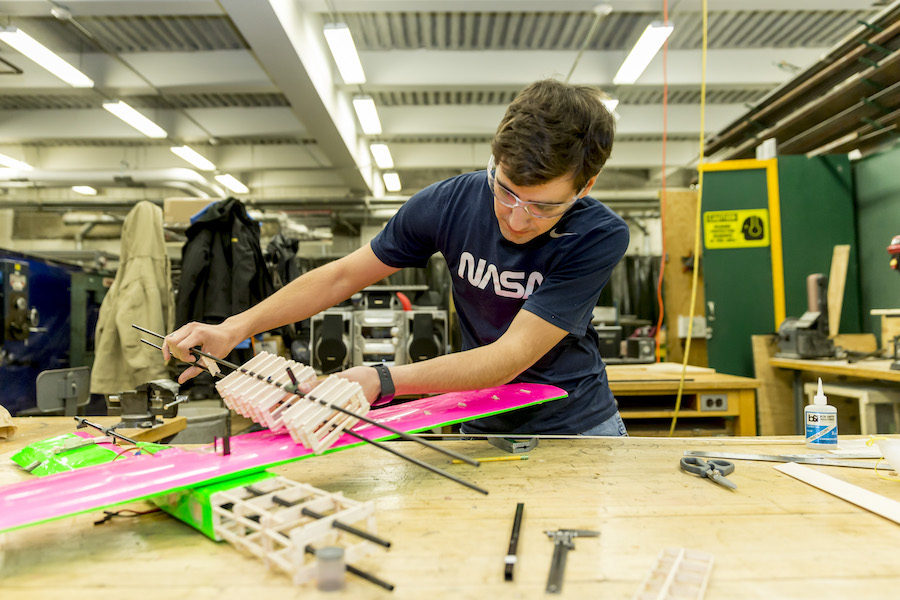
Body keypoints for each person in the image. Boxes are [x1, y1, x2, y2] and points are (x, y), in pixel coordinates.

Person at [163, 78, 630, 436]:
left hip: (576, 423)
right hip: (479, 414)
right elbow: (342, 276)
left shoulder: (598, 235)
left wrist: (383, 379)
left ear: (585, 187)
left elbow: (508, 358)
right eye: (506, 191)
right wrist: (234, 327)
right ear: (495, 159)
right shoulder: (449, 203)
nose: (517, 218)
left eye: (543, 206)